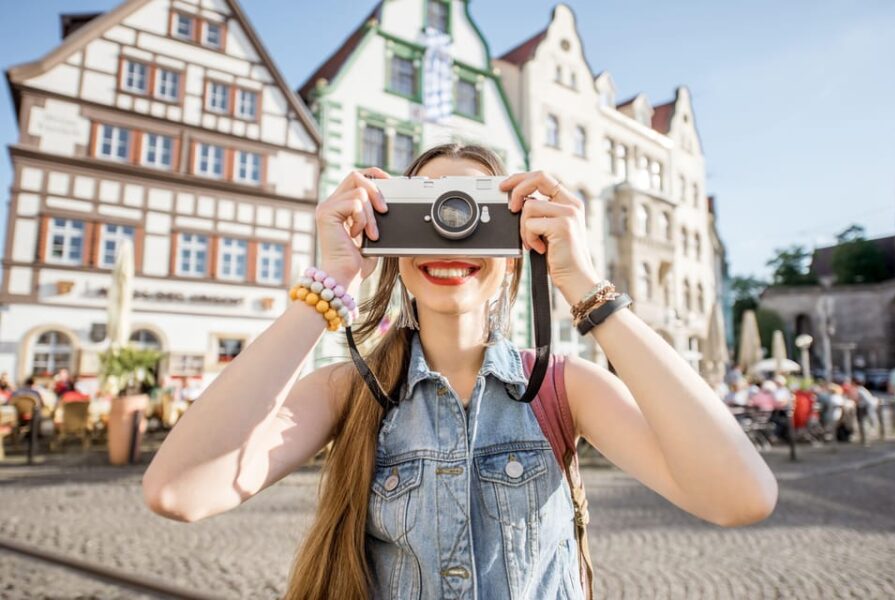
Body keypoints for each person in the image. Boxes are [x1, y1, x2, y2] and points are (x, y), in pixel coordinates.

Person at [142, 144, 777, 599]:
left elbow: (741, 497)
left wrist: (583, 283)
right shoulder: (350, 391)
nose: (450, 236)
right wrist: (331, 282)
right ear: (388, 239)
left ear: (514, 247)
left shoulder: (563, 387)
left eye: (475, 215)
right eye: (426, 212)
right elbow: (179, 492)